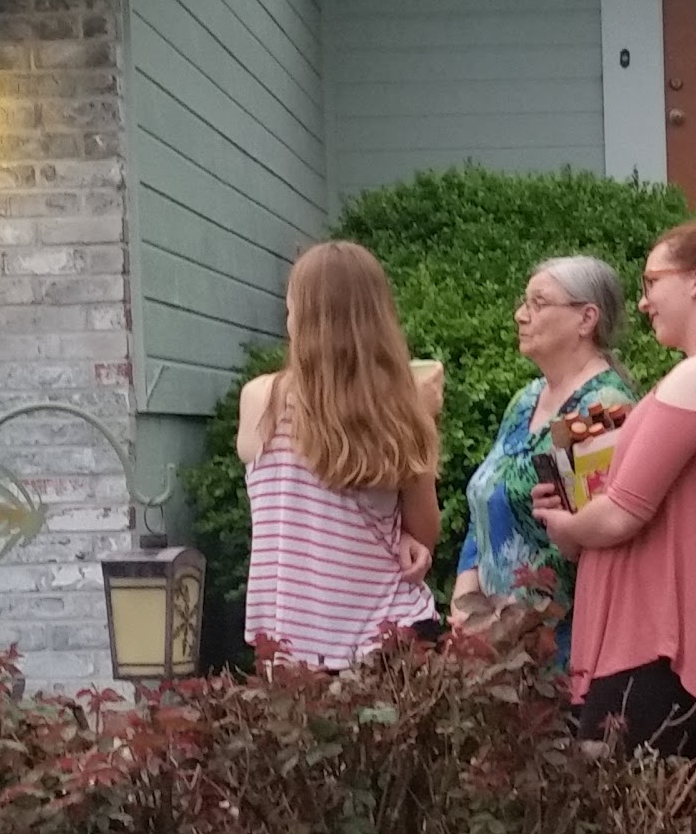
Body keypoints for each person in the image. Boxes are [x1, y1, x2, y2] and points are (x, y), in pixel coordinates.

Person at [533, 220, 696, 758]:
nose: (643, 302)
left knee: (615, 791)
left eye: (652, 282)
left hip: (656, 646)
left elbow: (622, 513)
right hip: (650, 641)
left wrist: (569, 525)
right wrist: (571, 519)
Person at [237, 241, 443, 671]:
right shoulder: (401, 409)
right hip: (393, 638)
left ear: (303, 318)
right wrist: (423, 416)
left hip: (292, 650)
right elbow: (424, 532)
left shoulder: (261, 401)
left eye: (290, 308)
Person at [452, 256, 638, 660]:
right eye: (524, 303)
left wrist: (503, 627)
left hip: (553, 650)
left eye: (538, 303)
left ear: (586, 319)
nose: (521, 315)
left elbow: (591, 542)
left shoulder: (602, 410)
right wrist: (466, 599)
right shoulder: (527, 400)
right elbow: (486, 497)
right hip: (495, 644)